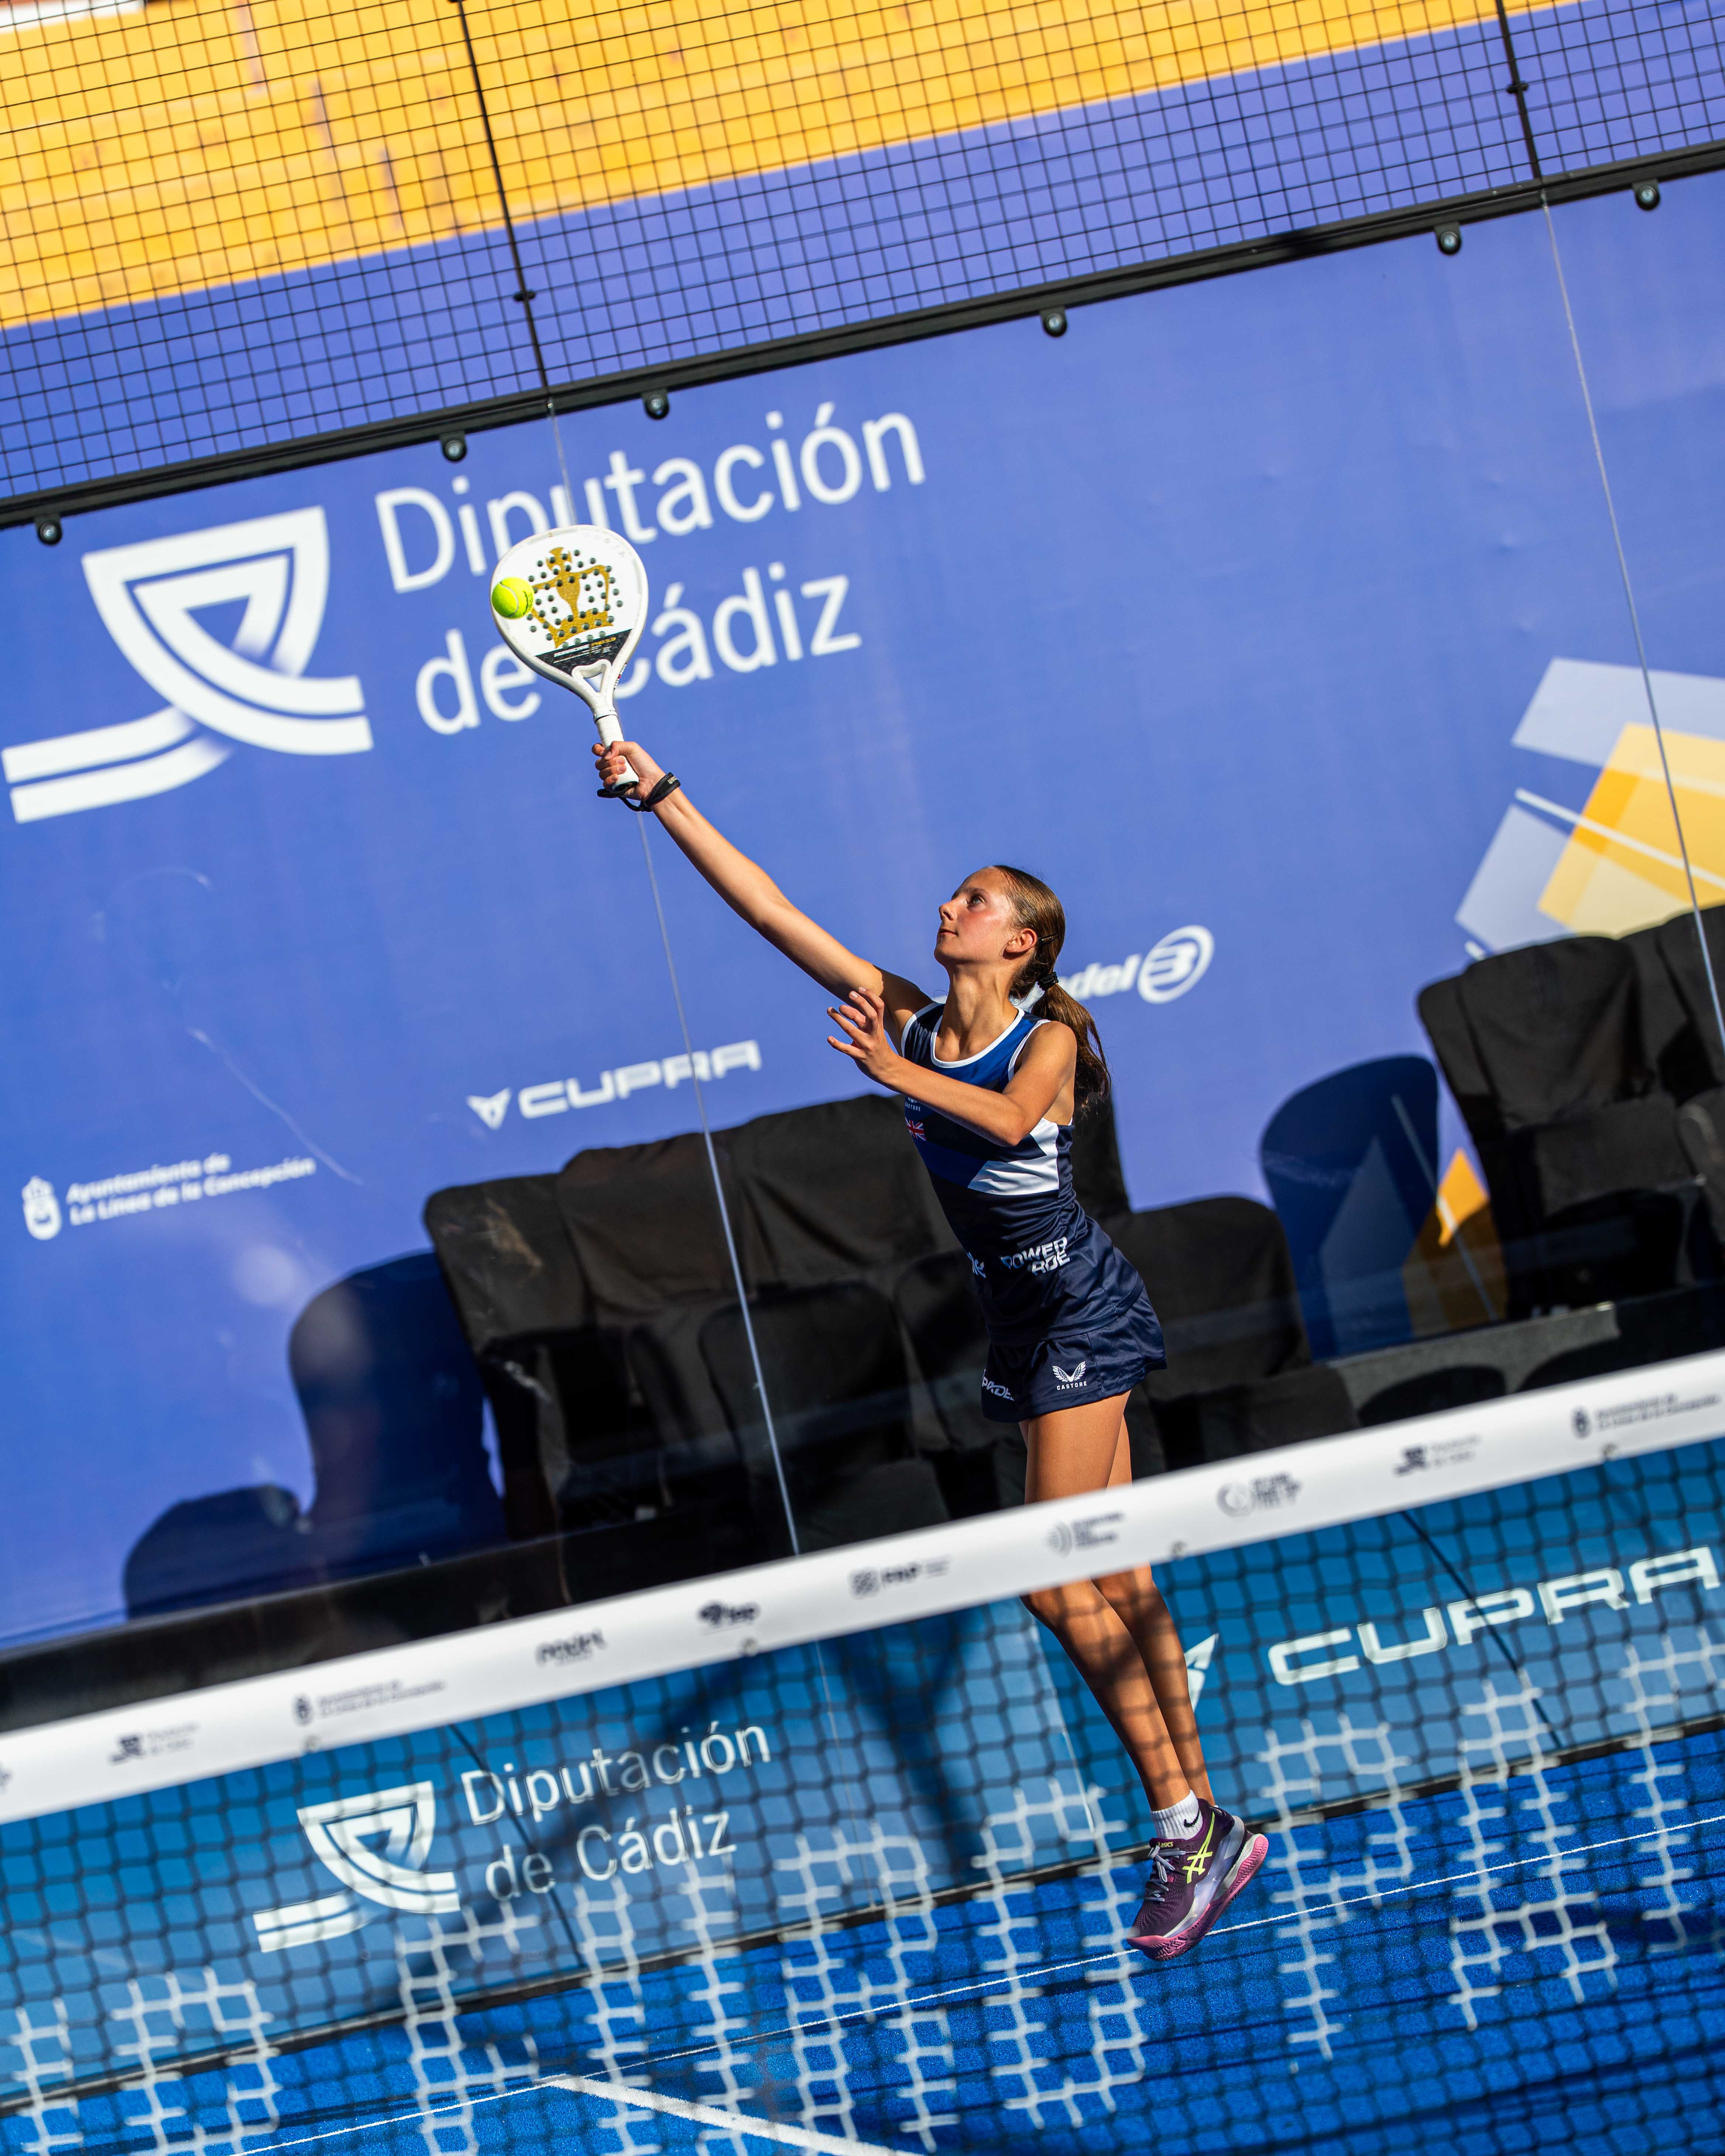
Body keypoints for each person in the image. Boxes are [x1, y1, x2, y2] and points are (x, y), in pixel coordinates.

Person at [593, 734, 1267, 1960]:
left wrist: (896, 1074)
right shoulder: (909, 1017)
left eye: (976, 902)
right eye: (955, 897)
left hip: (1082, 1310)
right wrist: (666, 797)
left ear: (1023, 945)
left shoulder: (1045, 1036)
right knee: (1118, 1578)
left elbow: (1007, 1124)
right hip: (1021, 1320)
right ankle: (1209, 1821)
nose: (950, 907)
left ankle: (1181, 1827)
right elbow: (771, 912)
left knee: (1053, 1579)